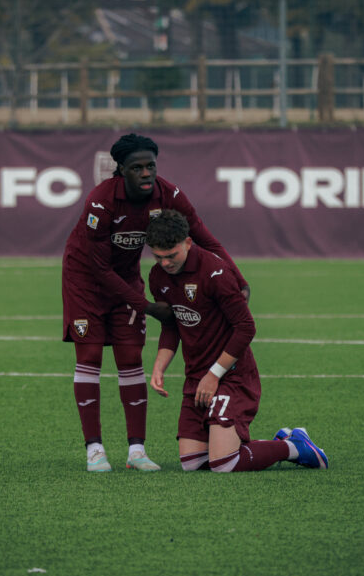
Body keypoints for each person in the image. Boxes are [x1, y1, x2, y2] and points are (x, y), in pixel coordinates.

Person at [62, 133, 249, 472]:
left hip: (126, 278)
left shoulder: (169, 194)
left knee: (131, 355)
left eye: (151, 166)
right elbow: (99, 268)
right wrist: (147, 306)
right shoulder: (100, 202)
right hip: (85, 281)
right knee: (89, 355)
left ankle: (137, 451)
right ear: (121, 170)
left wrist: (239, 279)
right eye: (137, 168)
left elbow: (205, 237)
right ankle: (95, 449)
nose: (146, 173)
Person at [145, 210, 327, 473]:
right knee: (193, 464)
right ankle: (250, 445)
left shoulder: (215, 271)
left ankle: (295, 446)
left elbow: (246, 327)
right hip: (197, 376)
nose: (165, 263)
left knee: (222, 464)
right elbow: (171, 326)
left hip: (232, 375)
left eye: (171, 255)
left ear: (187, 242)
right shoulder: (157, 277)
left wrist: (214, 374)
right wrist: (159, 366)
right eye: (158, 257)